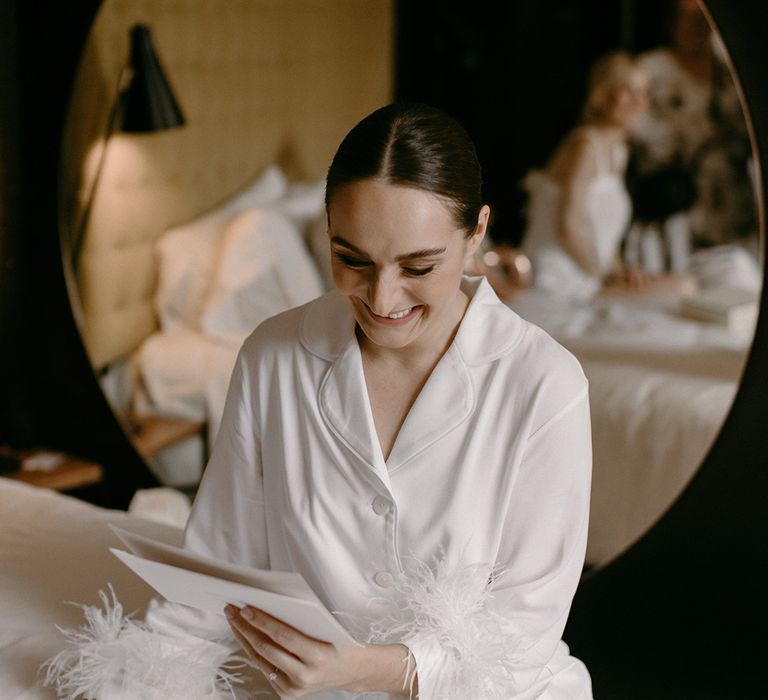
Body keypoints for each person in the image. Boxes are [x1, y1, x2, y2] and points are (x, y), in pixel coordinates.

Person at [48, 103, 594, 699]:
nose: (383, 298)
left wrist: (359, 670)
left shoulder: (544, 385)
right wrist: (148, 676)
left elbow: (521, 638)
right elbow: (217, 564)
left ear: (477, 234)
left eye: (419, 266)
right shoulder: (273, 356)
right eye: (351, 259)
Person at [521, 50, 694, 302]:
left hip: (590, 273)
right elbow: (569, 227)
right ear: (602, 95)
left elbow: (604, 239)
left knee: (683, 286)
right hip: (559, 276)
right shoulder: (585, 147)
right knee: (683, 288)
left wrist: (623, 273)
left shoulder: (618, 151)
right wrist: (604, 276)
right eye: (627, 90)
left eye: (644, 92)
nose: (638, 101)